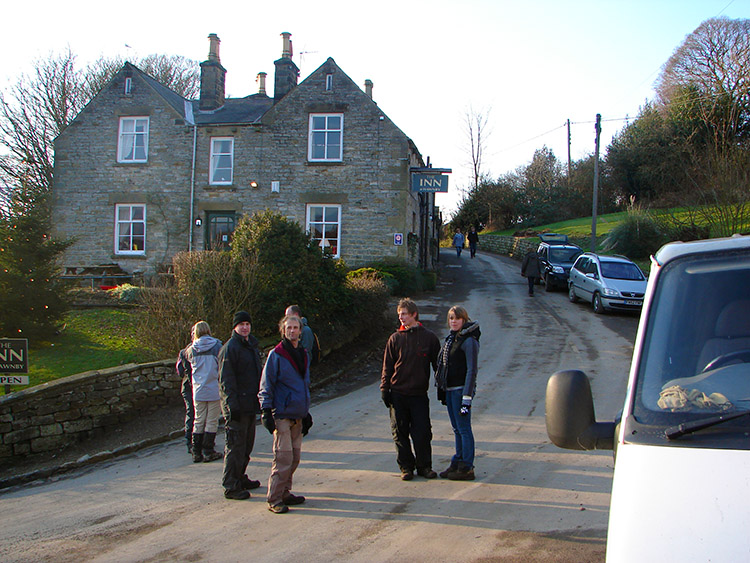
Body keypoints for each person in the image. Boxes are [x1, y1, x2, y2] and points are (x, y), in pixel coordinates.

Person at [381, 298, 441, 480]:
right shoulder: (395, 339)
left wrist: (443, 386)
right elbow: (387, 366)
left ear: (414, 314)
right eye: (399, 315)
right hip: (398, 393)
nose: (401, 318)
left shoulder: (429, 338)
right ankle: (406, 467)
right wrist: (385, 388)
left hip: (419, 395)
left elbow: (438, 365)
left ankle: (424, 466)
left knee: (422, 432)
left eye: (404, 314)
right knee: (400, 433)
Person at [259, 314, 313, 514]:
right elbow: (266, 384)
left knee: (295, 457)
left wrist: (306, 412)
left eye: (295, 327)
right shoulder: (277, 354)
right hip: (281, 414)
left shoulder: (304, 354)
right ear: (283, 330)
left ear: (300, 330)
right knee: (283, 458)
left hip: (298, 414)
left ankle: (285, 492)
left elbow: (304, 384)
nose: (292, 331)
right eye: (288, 328)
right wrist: (266, 410)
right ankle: (274, 498)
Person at [218, 311, 263, 500]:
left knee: (246, 446)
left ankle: (240, 477)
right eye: (241, 324)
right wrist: (231, 407)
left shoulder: (250, 345)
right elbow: (226, 381)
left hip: (250, 404)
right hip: (236, 408)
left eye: (247, 323)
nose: (245, 327)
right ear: (234, 327)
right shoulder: (230, 349)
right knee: (235, 447)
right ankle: (231, 485)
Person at [435, 306, 480, 480]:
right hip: (450, 390)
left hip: (462, 392)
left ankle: (467, 467)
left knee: (464, 428)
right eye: (451, 318)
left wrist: (466, 398)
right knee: (456, 429)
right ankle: (458, 460)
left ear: (464, 320)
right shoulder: (451, 339)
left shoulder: (469, 341)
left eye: (457, 318)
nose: (453, 321)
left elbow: (472, 370)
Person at [185, 321, 223, 463]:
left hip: (198, 389)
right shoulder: (217, 346)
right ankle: (208, 450)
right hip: (213, 388)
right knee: (211, 421)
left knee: (198, 420)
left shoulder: (191, 350)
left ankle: (196, 451)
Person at [175, 341, 194, 456]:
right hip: (192, 387)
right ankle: (192, 441)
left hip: (187, 386)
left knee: (191, 412)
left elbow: (180, 372)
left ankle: (190, 441)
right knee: (194, 413)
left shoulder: (183, 352)